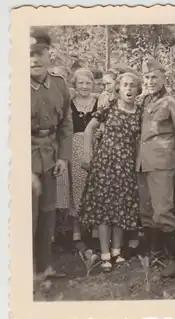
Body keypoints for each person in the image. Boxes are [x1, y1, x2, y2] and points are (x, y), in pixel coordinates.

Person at [136, 58, 175, 277]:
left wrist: (174, 151)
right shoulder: (143, 101)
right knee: (147, 211)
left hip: (162, 163)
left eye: (154, 77)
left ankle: (174, 259)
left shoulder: (171, 102)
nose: (150, 81)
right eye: (146, 77)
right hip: (142, 163)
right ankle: (156, 252)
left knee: (163, 211)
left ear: (163, 79)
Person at [79, 72, 143, 272]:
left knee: (121, 209)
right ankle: (105, 254)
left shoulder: (140, 112)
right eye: (125, 85)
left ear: (138, 90)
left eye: (133, 85)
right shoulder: (109, 107)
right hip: (105, 165)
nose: (129, 89)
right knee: (105, 211)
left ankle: (117, 251)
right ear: (118, 88)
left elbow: (142, 140)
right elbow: (90, 129)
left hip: (126, 167)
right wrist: (87, 154)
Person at [30, 27, 72, 283]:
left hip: (50, 156)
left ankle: (43, 269)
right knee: (26, 217)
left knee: (47, 215)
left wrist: (62, 158)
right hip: (24, 159)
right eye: (29, 54)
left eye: (39, 53)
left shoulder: (58, 84)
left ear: (49, 54)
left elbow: (65, 124)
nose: (34, 59)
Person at [67, 68, 99, 251]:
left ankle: (95, 230)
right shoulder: (69, 103)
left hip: (96, 147)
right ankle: (77, 232)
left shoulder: (99, 102)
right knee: (77, 188)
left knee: (96, 187)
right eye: (81, 83)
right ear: (75, 84)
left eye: (88, 83)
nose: (84, 86)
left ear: (93, 85)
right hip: (75, 147)